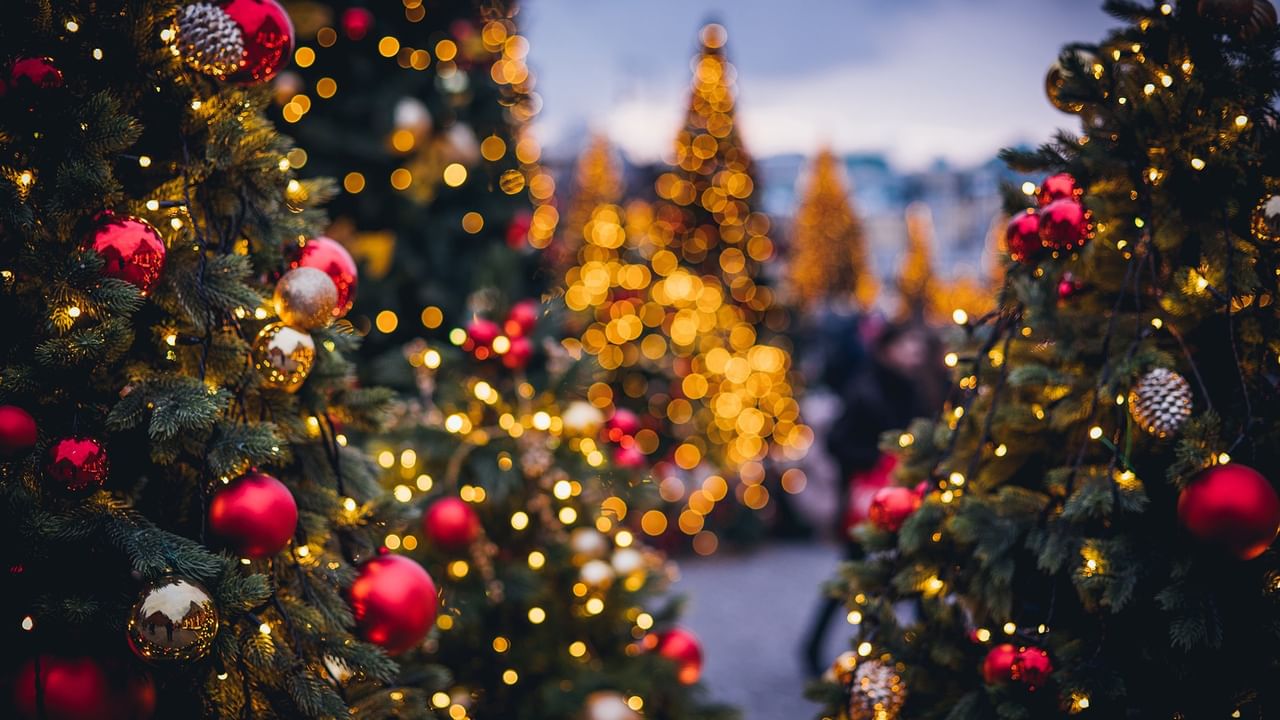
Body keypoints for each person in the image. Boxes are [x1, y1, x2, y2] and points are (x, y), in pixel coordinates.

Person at [802, 320, 945, 677]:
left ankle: (931, 651)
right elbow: (838, 443)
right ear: (885, 349)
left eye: (917, 343)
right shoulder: (865, 389)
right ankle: (811, 647)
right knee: (853, 576)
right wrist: (876, 458)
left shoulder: (917, 387)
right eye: (905, 344)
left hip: (906, 499)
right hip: (868, 504)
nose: (914, 351)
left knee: (917, 575)